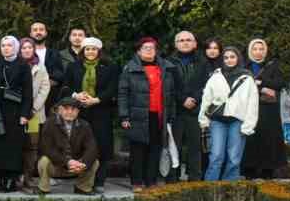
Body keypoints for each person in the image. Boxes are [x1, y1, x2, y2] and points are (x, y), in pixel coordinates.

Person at [118, 37, 179, 189]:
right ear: (138, 51)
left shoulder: (166, 67)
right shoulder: (130, 68)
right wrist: (124, 115)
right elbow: (123, 93)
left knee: (155, 148)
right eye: (145, 48)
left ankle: (151, 181)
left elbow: (171, 94)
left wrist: (170, 114)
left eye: (152, 47)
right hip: (138, 115)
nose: (149, 50)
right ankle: (137, 182)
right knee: (138, 150)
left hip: (159, 116)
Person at [63, 37, 119, 188]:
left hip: (101, 111)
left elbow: (113, 88)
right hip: (79, 112)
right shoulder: (73, 66)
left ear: (99, 51)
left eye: (94, 49)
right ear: (83, 50)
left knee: (101, 145)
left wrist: (97, 99)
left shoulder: (110, 67)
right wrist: (76, 95)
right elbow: (65, 87)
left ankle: (99, 181)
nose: (90, 52)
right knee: (80, 144)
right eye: (87, 49)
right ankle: (81, 180)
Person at [200, 44, 259, 182]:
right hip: (217, 120)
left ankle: (230, 189)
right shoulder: (216, 76)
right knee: (216, 156)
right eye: (226, 57)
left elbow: (253, 104)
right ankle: (210, 189)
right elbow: (206, 98)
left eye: (232, 57)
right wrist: (203, 119)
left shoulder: (247, 78)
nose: (229, 60)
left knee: (234, 157)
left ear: (238, 58)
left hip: (237, 121)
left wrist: (249, 125)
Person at [0, 36, 33, 192]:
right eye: (3, 45)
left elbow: (27, 92)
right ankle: (2, 178)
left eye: (9, 45)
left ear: (16, 47)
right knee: (0, 147)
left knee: (13, 146)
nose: (6, 48)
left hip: (15, 112)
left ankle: (12, 179)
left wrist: (25, 114)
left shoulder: (23, 66)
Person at [241, 38, 288, 180]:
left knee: (268, 141)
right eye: (255, 49)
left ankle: (267, 174)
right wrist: (264, 88)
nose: (258, 52)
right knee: (250, 140)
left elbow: (279, 83)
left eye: (261, 49)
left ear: (265, 51)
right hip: (248, 110)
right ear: (250, 51)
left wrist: (261, 82)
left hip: (268, 111)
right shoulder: (244, 66)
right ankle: (249, 172)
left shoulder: (272, 66)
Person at [167, 30, 209, 181]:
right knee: (174, 147)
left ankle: (195, 179)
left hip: (195, 111)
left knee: (195, 148)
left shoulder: (203, 62)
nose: (185, 42)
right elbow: (168, 86)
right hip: (175, 111)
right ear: (176, 44)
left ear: (195, 43)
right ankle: (172, 178)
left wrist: (195, 99)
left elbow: (207, 85)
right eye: (181, 40)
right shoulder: (168, 62)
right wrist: (183, 99)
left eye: (188, 40)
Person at [37, 96, 100, 195]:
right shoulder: (49, 123)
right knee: (44, 161)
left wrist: (83, 163)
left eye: (73, 109)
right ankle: (43, 188)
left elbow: (92, 147)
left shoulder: (85, 125)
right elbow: (46, 148)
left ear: (78, 112)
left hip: (77, 166)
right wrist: (67, 161)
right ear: (60, 110)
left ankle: (82, 188)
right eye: (66, 109)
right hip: (56, 165)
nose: (70, 112)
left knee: (94, 162)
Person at [20, 36, 52, 193]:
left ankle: (28, 179)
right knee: (16, 145)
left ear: (33, 49)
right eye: (23, 48)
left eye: (29, 47)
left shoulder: (41, 67)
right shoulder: (15, 65)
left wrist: (32, 108)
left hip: (33, 115)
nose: (26, 50)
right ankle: (15, 177)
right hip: (16, 114)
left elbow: (45, 89)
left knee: (32, 146)